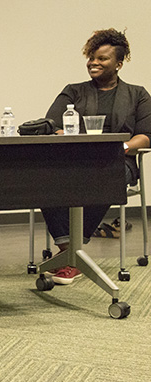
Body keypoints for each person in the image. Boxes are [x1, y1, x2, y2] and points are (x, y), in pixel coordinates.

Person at [41, 28, 151, 284]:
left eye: (102, 58)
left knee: (105, 177)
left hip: (117, 161)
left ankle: (71, 257)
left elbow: (146, 135)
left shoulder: (137, 94)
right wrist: (64, 137)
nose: (94, 62)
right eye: (92, 57)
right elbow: (51, 124)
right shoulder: (74, 91)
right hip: (75, 161)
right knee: (43, 178)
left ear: (119, 64)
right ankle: (70, 253)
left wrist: (122, 148)